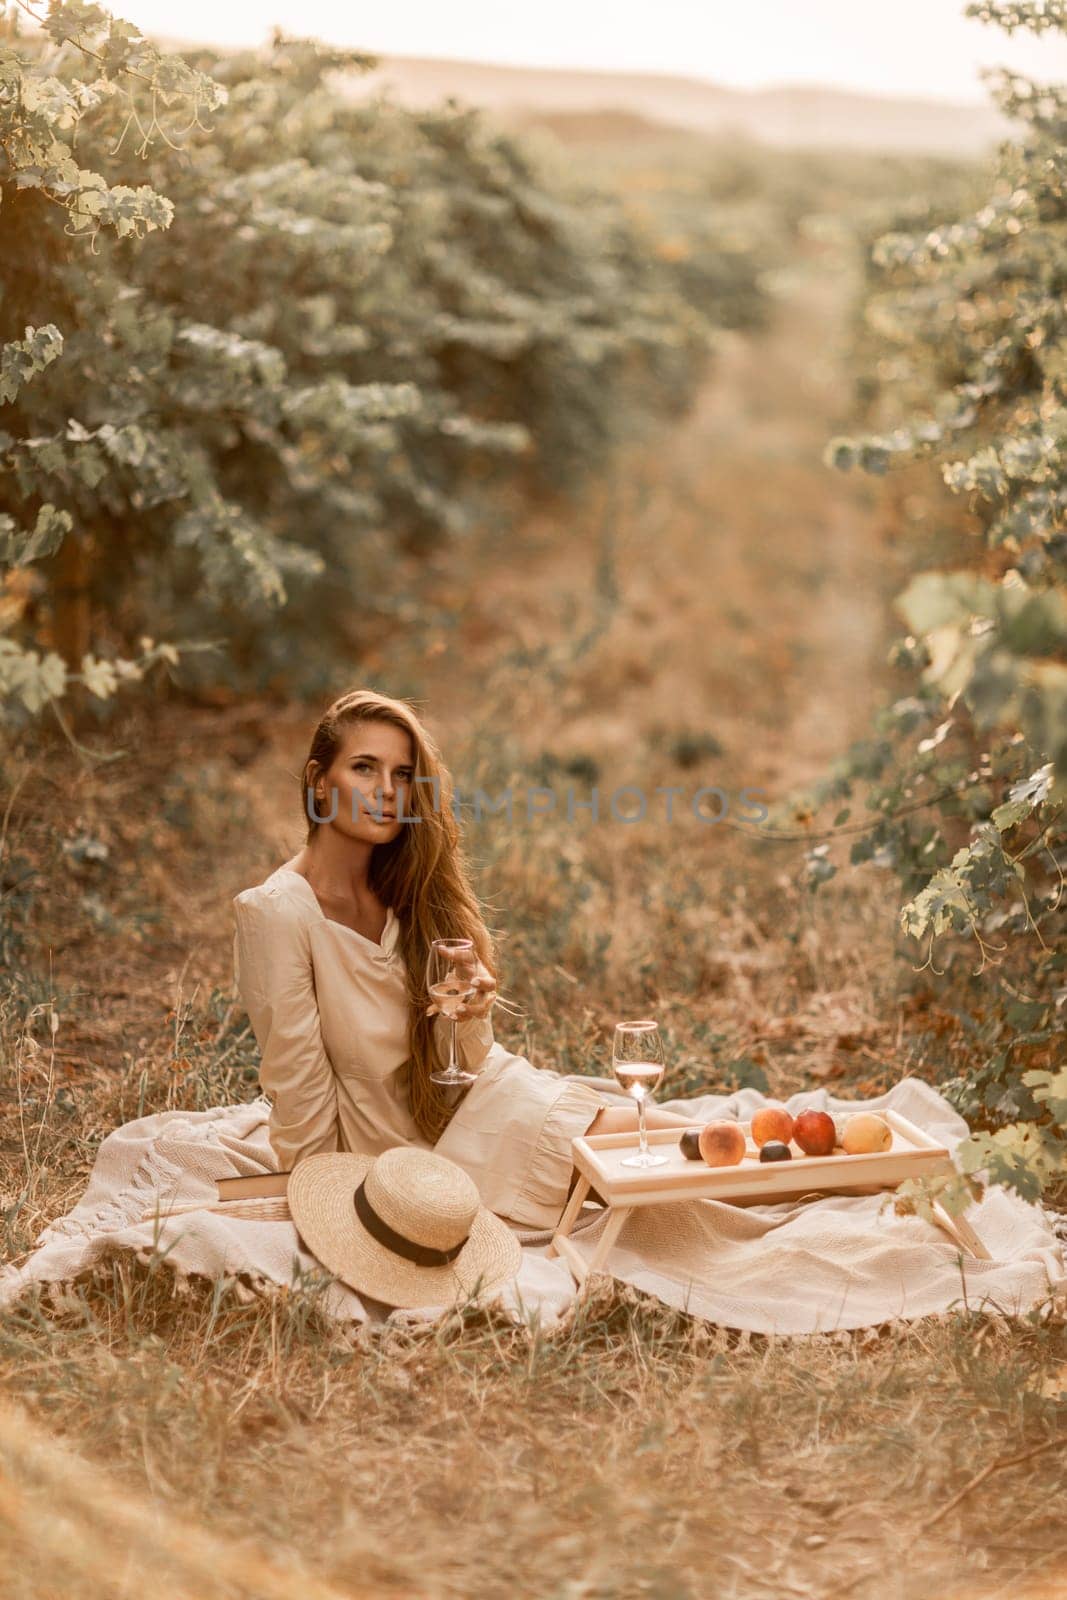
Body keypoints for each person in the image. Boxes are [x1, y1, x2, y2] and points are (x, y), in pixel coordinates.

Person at [232, 687, 688, 1231]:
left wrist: (469, 1015)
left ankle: (814, 1152)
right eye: (364, 768)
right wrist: (327, 1202)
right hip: (401, 1157)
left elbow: (467, 1065)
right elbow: (297, 1084)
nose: (386, 791)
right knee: (676, 1165)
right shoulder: (279, 913)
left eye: (402, 774)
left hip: (485, 1108)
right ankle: (807, 1160)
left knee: (695, 1148)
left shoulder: (409, 889)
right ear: (318, 782)